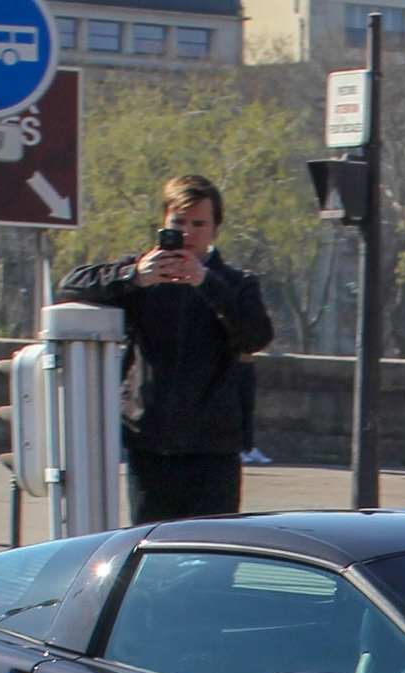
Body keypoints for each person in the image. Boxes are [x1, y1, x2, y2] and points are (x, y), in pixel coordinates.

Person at [55, 173, 273, 522]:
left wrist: (206, 282)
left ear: (216, 227)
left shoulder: (236, 283)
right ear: (164, 224)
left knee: (212, 551)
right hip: (150, 441)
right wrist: (134, 277)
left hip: (213, 446)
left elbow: (256, 336)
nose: (187, 233)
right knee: (151, 547)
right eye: (178, 222)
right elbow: (71, 284)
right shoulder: (144, 274)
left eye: (198, 224)